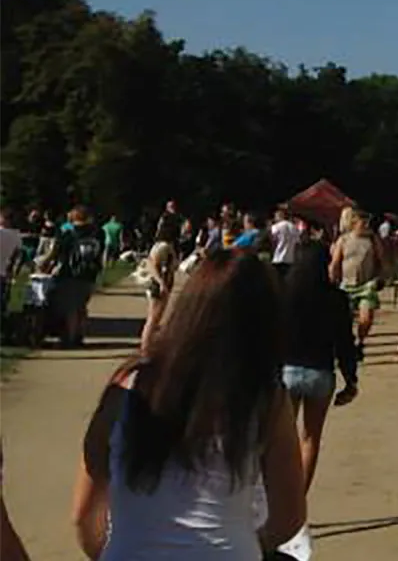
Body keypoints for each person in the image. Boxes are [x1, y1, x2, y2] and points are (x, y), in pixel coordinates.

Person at [70, 248, 306, 559]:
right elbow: (288, 517)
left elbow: (83, 515)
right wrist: (245, 545)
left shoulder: (127, 385)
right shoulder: (264, 399)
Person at [281, 241, 359, 507]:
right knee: (310, 439)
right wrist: (351, 379)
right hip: (320, 372)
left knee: (282, 439)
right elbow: (344, 343)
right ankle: (296, 502)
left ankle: (275, 500)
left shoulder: (283, 293)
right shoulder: (336, 298)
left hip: (286, 370)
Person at [49, 207, 106, 349]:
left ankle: (70, 338)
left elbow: (57, 253)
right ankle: (80, 335)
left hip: (70, 274)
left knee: (70, 309)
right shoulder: (98, 233)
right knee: (82, 306)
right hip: (90, 274)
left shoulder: (68, 234)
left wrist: (48, 266)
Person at [329, 210, 381, 351]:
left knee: (366, 318)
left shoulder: (372, 239)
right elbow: (335, 263)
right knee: (345, 320)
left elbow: (381, 260)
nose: (365, 224)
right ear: (354, 223)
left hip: (367, 284)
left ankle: (360, 341)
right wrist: (332, 280)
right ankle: (347, 342)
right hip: (346, 284)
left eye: (367, 222)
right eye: (362, 221)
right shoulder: (343, 240)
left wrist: (380, 277)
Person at [138, 232, 179, 356]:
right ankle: (145, 347)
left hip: (163, 283)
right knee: (153, 317)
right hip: (158, 285)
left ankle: (148, 345)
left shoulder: (164, 246)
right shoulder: (163, 247)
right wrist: (161, 283)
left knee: (155, 318)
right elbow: (153, 265)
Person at [268, 208, 302, 277]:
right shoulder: (293, 227)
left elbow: (271, 240)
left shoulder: (275, 227)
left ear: (279, 216)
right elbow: (298, 242)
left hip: (278, 258)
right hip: (290, 259)